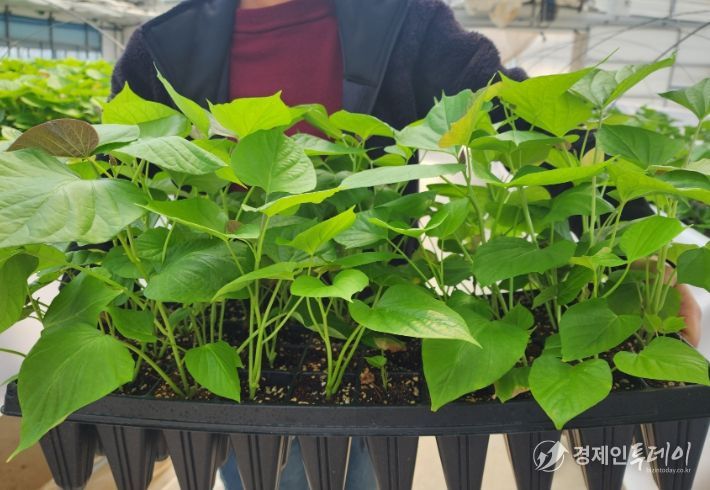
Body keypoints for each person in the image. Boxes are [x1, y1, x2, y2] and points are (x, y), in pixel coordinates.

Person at [111, 0, 703, 488]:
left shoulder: (398, 17)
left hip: (371, 315)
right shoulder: (164, 48)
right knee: (253, 472)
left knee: (358, 470)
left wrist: (638, 242)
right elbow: (114, 187)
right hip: (231, 324)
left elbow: (522, 113)